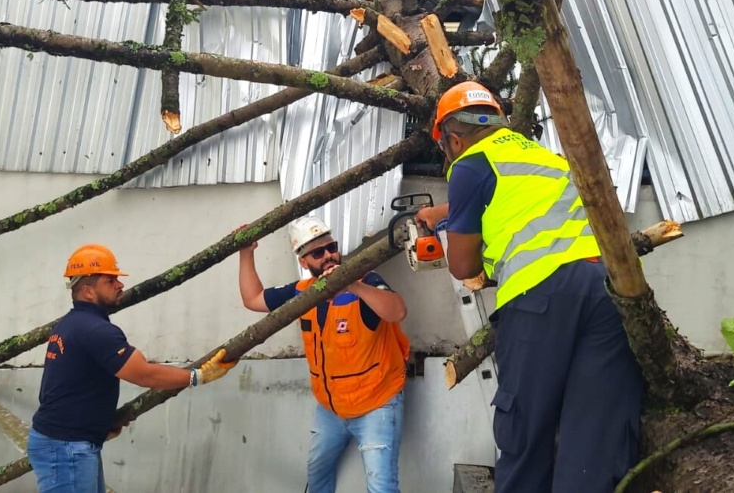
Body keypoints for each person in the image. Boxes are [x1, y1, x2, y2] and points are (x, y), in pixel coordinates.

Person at [415, 81, 645, 493]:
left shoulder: (468, 165)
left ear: (453, 139)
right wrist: (446, 212)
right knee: (594, 440)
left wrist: (457, 231)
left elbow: (463, 265)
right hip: (607, 289)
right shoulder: (547, 158)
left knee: (525, 434)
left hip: (539, 296)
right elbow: (518, 197)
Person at [28, 243, 237, 493]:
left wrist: (98, 423)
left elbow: (69, 383)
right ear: (88, 291)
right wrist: (198, 376)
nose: (120, 284)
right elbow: (144, 373)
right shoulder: (95, 330)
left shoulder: (71, 324)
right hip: (67, 446)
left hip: (67, 442)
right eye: (110, 280)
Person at [237, 216, 410, 493]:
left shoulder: (366, 282)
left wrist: (351, 284)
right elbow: (253, 299)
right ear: (304, 261)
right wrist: (246, 253)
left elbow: (397, 311)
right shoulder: (302, 293)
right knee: (317, 477)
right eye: (318, 252)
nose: (329, 255)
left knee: (381, 487)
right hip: (330, 409)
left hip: (376, 403)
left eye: (332, 247)